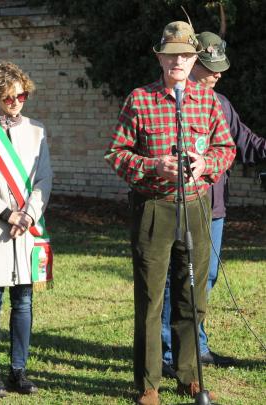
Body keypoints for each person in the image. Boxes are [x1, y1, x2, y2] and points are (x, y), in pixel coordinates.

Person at [104, 21, 236, 405]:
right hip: (153, 209)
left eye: (185, 55)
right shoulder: (140, 99)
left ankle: (189, 375)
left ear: (195, 59)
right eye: (171, 54)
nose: (178, 60)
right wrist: (152, 166)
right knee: (150, 299)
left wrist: (204, 164)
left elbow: (226, 149)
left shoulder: (208, 100)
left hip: (196, 205)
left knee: (192, 296)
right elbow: (116, 154)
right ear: (159, 57)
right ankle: (148, 384)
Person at [161, 31, 266, 378]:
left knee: (205, 278)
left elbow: (247, 143)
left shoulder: (220, 104)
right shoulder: (165, 102)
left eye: (219, 67)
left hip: (214, 208)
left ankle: (197, 346)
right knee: (176, 279)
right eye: (210, 66)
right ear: (189, 62)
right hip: (177, 205)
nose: (217, 73)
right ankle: (167, 350)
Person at [0, 62, 52, 398]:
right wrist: (7, 215)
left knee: (24, 301)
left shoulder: (37, 129)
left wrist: (28, 216)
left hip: (27, 229)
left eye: (21, 94)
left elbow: (44, 178)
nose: (16, 100)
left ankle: (19, 369)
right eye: (8, 95)